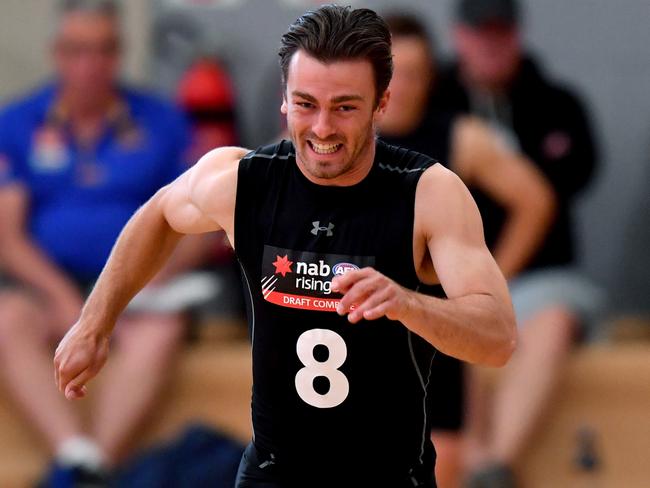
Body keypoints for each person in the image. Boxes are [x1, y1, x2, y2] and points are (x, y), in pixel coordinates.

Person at [54, 5, 517, 488]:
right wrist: (94, 323)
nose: (321, 128)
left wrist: (407, 304)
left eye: (344, 107)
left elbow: (498, 338)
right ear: (283, 100)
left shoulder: (428, 193)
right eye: (305, 104)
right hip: (274, 474)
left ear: (381, 103)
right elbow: (159, 214)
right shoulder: (244, 181)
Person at [0, 1, 204, 485]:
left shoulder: (164, 122)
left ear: (119, 55)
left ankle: (86, 470)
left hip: (138, 283)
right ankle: (75, 453)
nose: (90, 65)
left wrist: (131, 290)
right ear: (57, 54)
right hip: (49, 283)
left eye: (103, 51)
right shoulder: (18, 122)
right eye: (77, 51)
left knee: (162, 330)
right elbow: (7, 236)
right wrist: (70, 302)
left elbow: (202, 227)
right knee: (7, 319)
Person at [378, 13, 556, 488]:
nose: (401, 85)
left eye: (413, 73)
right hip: (357, 317)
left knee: (442, 457)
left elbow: (535, 200)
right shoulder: (336, 139)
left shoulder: (460, 137)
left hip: (432, 316)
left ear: (431, 76)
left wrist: (493, 281)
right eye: (390, 71)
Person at [434, 1, 603, 486]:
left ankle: (492, 469)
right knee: (447, 323)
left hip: (534, 280)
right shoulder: (438, 108)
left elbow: (542, 199)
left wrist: (494, 277)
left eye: (501, 31)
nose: (490, 42)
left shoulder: (557, 103)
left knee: (548, 322)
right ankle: (475, 457)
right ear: (459, 36)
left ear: (518, 34)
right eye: (478, 31)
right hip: (451, 277)